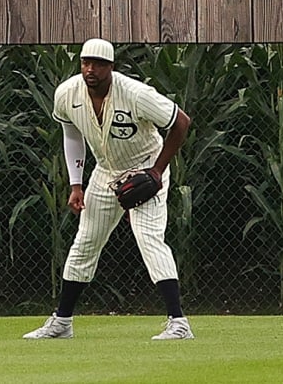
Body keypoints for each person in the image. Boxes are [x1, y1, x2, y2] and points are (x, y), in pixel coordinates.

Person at [23, 37, 194, 341]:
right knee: (85, 243)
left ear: (111, 67)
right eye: (86, 63)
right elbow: (71, 134)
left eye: (98, 64)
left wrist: (156, 171)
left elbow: (181, 121)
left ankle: (178, 323)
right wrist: (76, 184)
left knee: (149, 239)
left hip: (145, 167)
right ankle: (62, 322)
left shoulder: (136, 94)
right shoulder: (67, 93)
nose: (91, 69)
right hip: (105, 173)